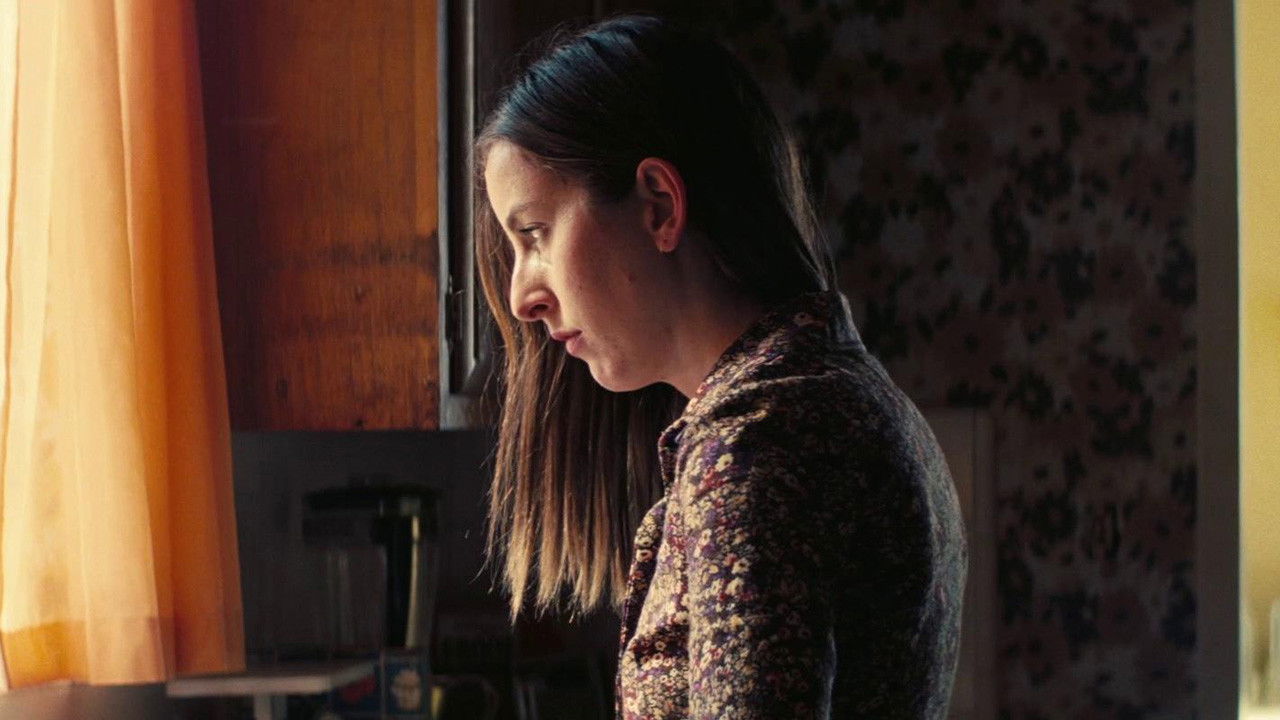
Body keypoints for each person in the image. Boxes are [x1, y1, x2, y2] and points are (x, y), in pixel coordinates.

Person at [473, 14, 967, 719]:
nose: (523, 296)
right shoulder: (832, 397)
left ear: (658, 206)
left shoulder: (754, 448)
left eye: (535, 233)